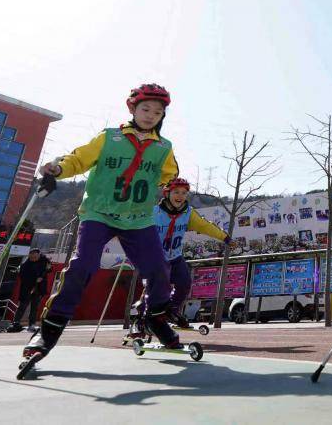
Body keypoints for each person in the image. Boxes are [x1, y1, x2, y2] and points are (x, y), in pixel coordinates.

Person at [24, 84, 183, 363]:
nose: (150, 115)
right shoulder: (109, 138)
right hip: (99, 213)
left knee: (159, 269)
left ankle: (156, 318)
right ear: (132, 108)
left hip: (138, 219)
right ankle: (47, 331)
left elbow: (169, 175)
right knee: (82, 266)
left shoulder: (163, 148)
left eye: (157, 112)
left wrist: (166, 187)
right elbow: (79, 159)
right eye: (145, 109)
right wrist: (58, 169)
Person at [130, 177, 230, 333]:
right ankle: (142, 319)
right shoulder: (154, 212)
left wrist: (224, 237)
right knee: (156, 290)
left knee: (184, 283)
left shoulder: (188, 213)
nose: (180, 196)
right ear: (167, 193)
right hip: (155, 258)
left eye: (184, 193)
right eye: (176, 192)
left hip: (175, 257)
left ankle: (172, 311)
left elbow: (205, 226)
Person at [5, 249, 51, 332]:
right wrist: (35, 280)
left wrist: (48, 268)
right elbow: (23, 277)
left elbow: (49, 269)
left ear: (39, 255)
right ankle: (15, 323)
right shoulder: (25, 265)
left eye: (35, 256)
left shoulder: (44, 262)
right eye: (32, 256)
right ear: (29, 256)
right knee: (22, 306)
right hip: (27, 289)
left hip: (39, 289)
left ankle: (32, 325)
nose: (33, 258)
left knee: (35, 308)